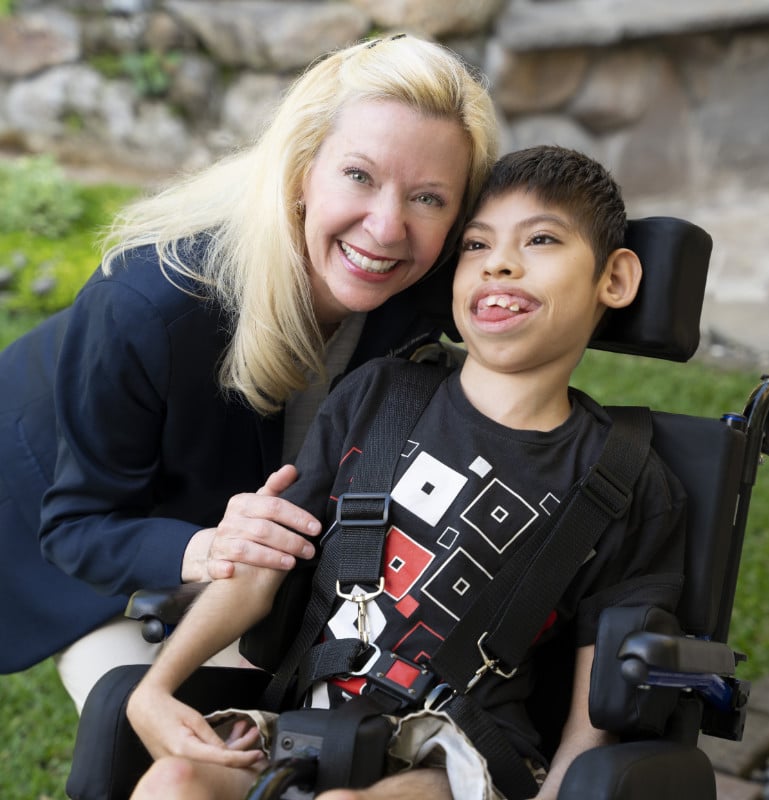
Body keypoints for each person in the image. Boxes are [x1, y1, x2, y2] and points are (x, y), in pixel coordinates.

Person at [125, 145, 688, 800]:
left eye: (540, 240)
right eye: (476, 246)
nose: (500, 263)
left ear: (614, 279)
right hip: (314, 723)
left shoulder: (627, 480)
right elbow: (260, 572)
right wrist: (154, 688)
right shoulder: (380, 397)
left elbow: (595, 714)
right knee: (175, 781)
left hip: (462, 759)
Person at [0, 32, 499, 712]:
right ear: (301, 170)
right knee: (157, 736)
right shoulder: (149, 305)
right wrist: (203, 548)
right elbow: (77, 524)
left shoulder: (424, 274)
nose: (386, 228)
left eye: (429, 198)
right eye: (359, 175)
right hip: (74, 521)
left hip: (240, 537)